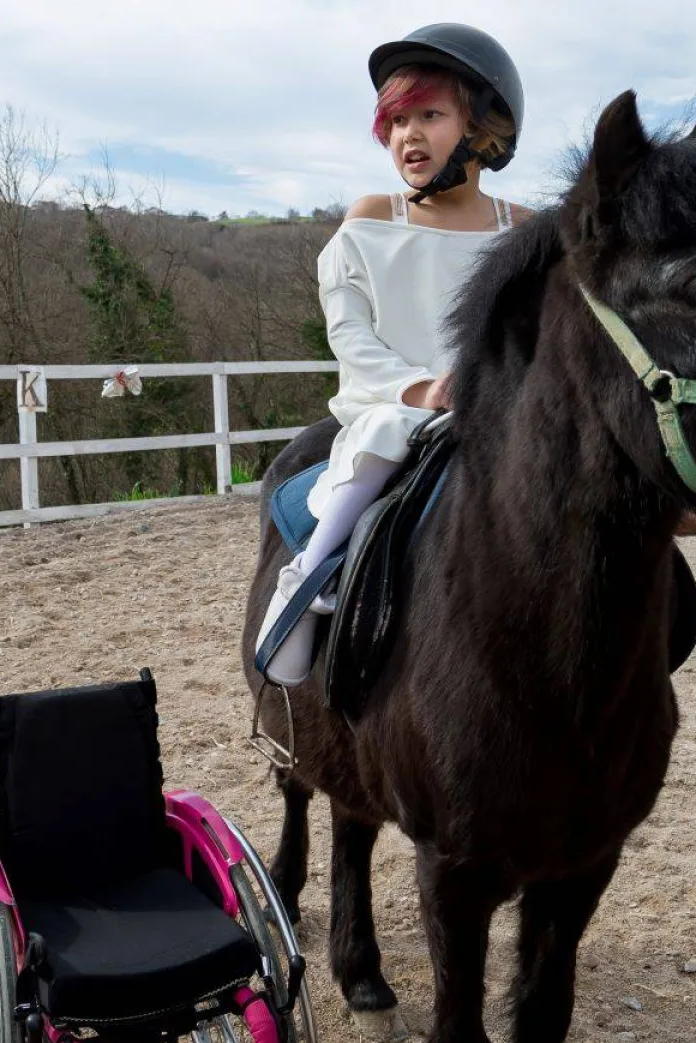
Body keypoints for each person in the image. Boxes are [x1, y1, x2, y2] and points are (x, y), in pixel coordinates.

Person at [256, 22, 531, 684]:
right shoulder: (373, 219)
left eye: (430, 115)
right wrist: (418, 389)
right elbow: (350, 333)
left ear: (483, 127)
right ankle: (310, 577)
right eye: (397, 120)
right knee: (387, 429)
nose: (408, 134)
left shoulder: (523, 231)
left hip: (497, 407)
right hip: (395, 404)